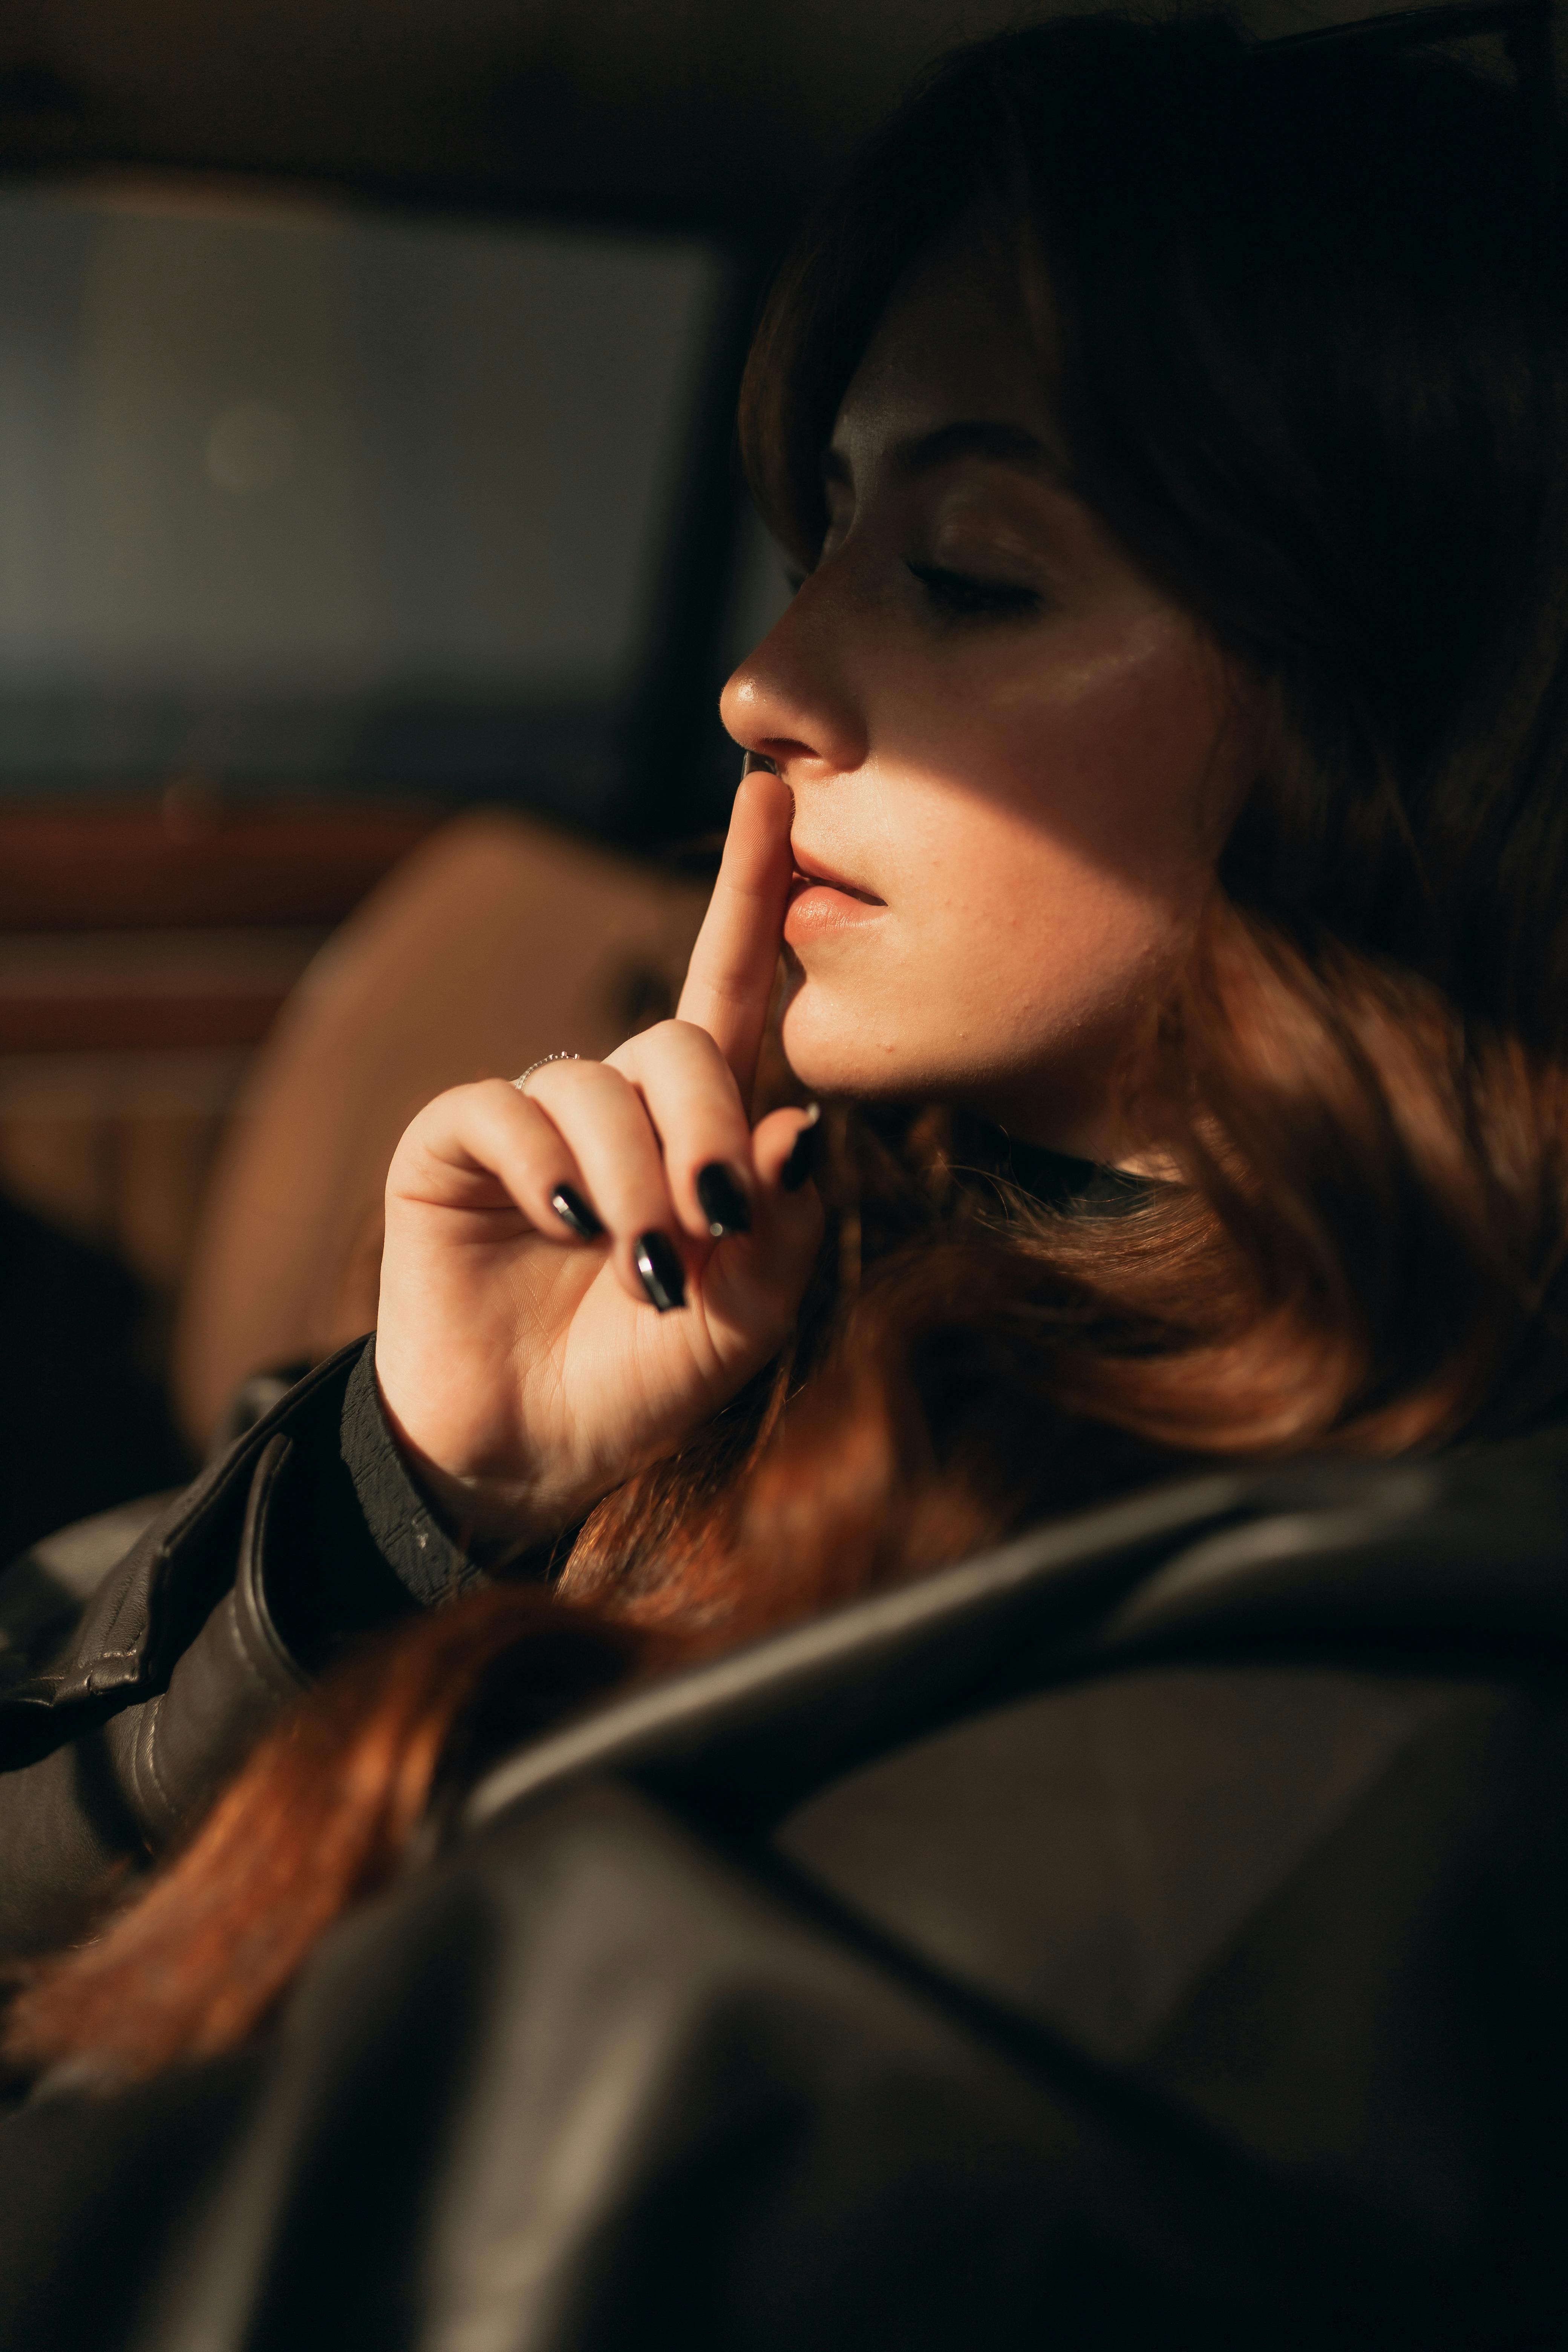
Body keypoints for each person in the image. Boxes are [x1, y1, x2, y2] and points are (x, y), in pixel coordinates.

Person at [1, 14, 1567, 2346]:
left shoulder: (1364, 1678)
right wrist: (412, 1491)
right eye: (823, 530)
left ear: (1398, 711)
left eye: (963, 571)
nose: (762, 678)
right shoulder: (790, 1270)